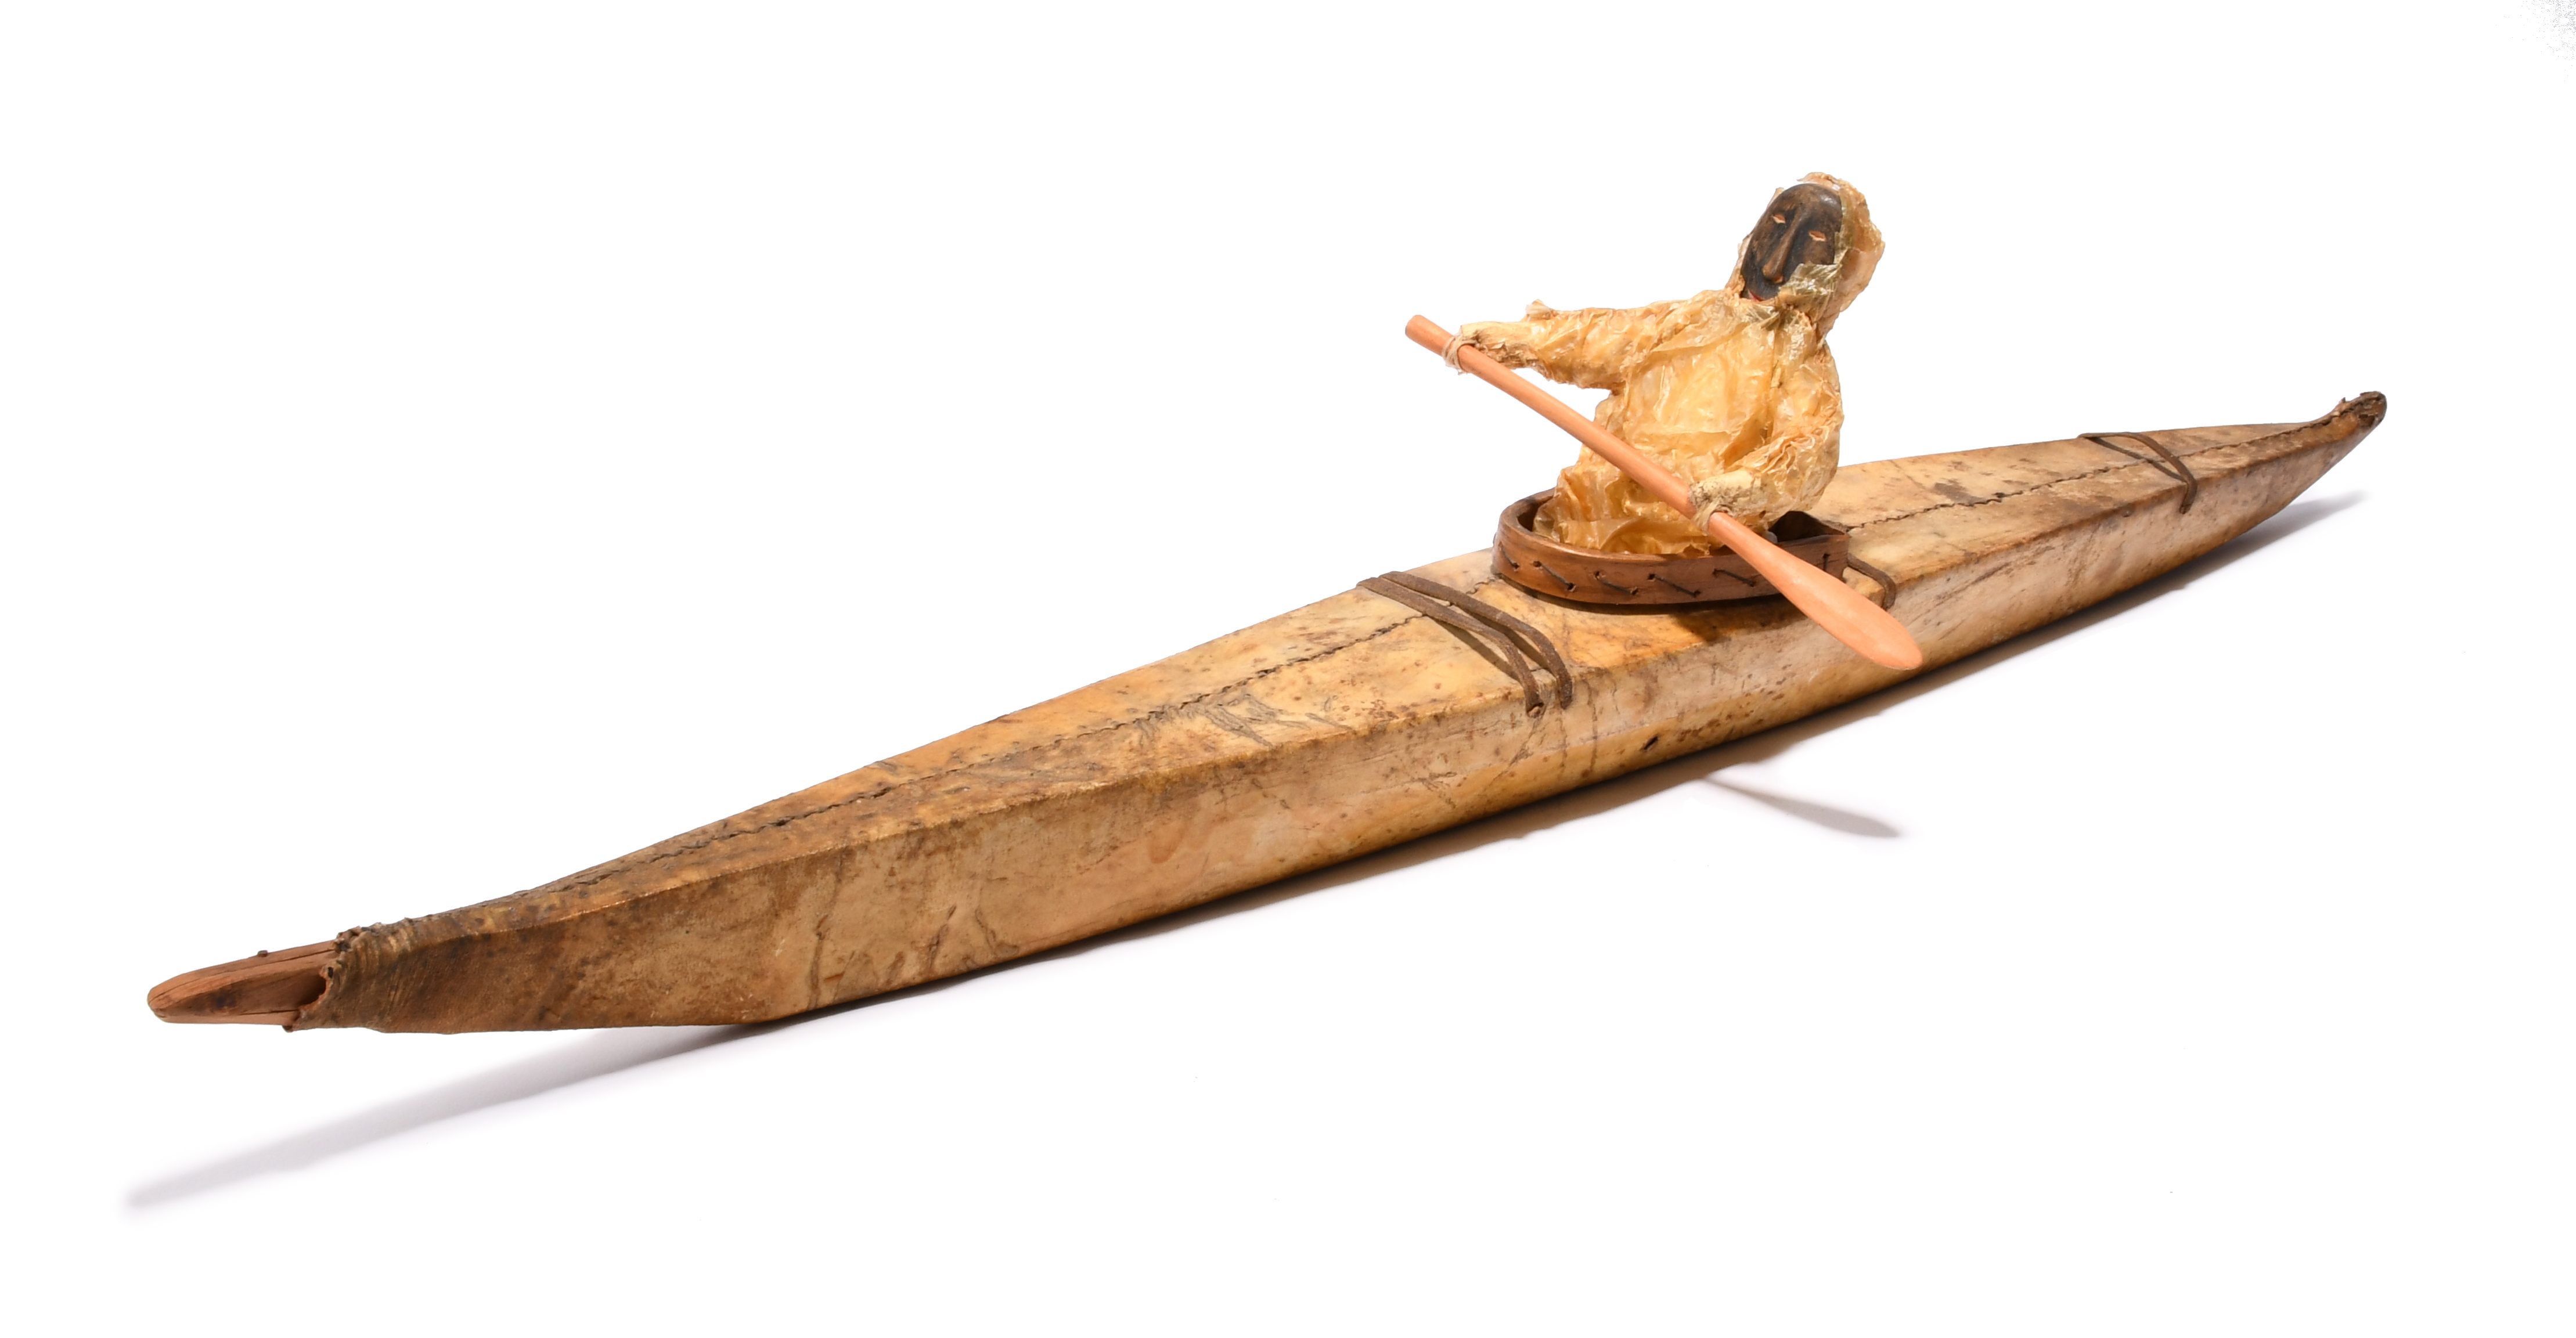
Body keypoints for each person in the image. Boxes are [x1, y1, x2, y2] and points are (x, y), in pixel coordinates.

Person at [1458, 173, 1884, 555]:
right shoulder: (1691, 319)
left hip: (1697, 540)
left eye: (1813, 243)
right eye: (1774, 226)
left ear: (1838, 272)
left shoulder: (1801, 365)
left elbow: (1810, 446)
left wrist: (1747, 486)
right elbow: (1599, 339)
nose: (1773, 267)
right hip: (1586, 518)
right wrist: (1513, 340)